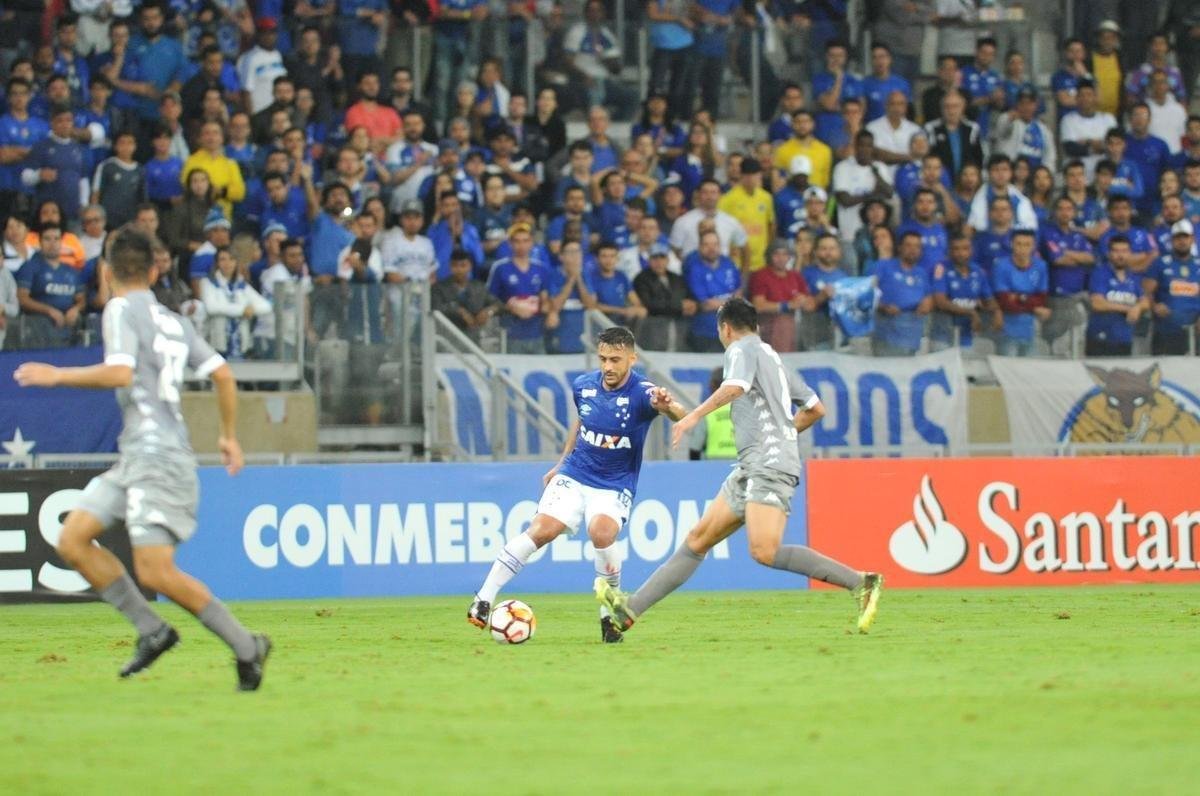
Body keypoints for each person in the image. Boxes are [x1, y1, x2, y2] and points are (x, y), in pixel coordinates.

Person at [12, 226, 270, 689]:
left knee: (156, 571)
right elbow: (224, 374)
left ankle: (247, 645)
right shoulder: (177, 321)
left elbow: (119, 372)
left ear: (106, 272)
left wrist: (57, 375)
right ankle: (152, 629)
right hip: (137, 456)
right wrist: (229, 436)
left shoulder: (117, 309)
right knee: (72, 538)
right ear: (154, 270)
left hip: (159, 458)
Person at [596, 298, 883, 637]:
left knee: (764, 550)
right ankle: (628, 611)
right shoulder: (771, 356)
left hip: (768, 463)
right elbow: (815, 408)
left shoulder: (738, 350)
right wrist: (783, 434)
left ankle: (861, 582)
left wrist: (692, 416)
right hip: (753, 463)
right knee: (698, 539)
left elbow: (734, 388)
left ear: (725, 328)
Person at [469, 325, 687, 643]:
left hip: (614, 483)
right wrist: (561, 462)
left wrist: (668, 406)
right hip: (576, 472)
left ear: (631, 358)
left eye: (615, 359)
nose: (608, 367)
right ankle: (484, 599)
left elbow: (680, 414)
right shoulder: (583, 386)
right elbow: (583, 422)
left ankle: (608, 618)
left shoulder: (644, 393)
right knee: (541, 530)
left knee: (601, 533)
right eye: (603, 359)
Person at [1040, 196, 1097, 355]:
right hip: (1057, 297)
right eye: (1061, 208)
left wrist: (1068, 253)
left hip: (1079, 294)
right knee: (1056, 342)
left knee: (1077, 342)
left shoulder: (1078, 235)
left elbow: (1091, 258)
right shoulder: (1048, 233)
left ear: (1074, 212)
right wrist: (1079, 258)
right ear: (1055, 212)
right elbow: (1057, 259)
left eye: (1069, 209)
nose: (1065, 212)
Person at [931, 235, 1001, 351]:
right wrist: (970, 312)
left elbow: (988, 299)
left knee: (967, 366)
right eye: (956, 249)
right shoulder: (941, 268)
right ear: (949, 251)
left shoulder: (978, 271)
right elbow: (940, 302)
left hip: (967, 334)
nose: (961, 253)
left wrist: (997, 311)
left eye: (965, 248)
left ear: (971, 250)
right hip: (943, 334)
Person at [1143, 220, 1200, 355]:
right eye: (1178, 237)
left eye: (1185, 237)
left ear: (1192, 239)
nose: (1182, 241)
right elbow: (1145, 292)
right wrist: (1155, 306)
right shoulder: (1160, 263)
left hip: (1196, 330)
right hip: (1166, 330)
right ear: (1172, 240)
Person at [872, 231, 933, 356]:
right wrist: (882, 306)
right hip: (887, 335)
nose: (913, 250)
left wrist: (928, 302)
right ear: (899, 247)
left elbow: (928, 296)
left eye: (917, 246)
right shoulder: (883, 266)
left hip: (913, 337)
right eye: (908, 245)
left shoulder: (922, 273)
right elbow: (866, 293)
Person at [1086, 235, 1149, 356]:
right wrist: (1128, 308)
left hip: (1125, 338)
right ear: (1109, 253)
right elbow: (1097, 303)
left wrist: (1138, 307)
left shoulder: (1133, 277)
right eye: (1116, 251)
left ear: (1130, 253)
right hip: (1100, 338)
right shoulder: (1100, 273)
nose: (1120, 255)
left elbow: (1145, 302)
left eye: (1124, 251)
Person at [991, 229, 1050, 356]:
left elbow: (1041, 298)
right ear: (1012, 244)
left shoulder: (1041, 266)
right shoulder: (1001, 266)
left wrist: (1018, 297)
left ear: (1033, 246)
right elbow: (1004, 301)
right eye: (1019, 244)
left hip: (1031, 329)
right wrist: (1033, 306)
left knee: (1030, 370)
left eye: (1027, 244)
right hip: (1007, 328)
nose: (1023, 249)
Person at [749, 240, 812, 352]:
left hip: (793, 326)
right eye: (776, 254)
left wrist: (802, 300)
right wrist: (787, 305)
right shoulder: (761, 275)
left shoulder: (795, 276)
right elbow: (758, 305)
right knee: (782, 323)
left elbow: (808, 302)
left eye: (785, 254)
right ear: (769, 256)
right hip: (768, 325)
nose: (781, 258)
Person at [685, 229, 741, 352]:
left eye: (715, 244)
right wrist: (732, 302)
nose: (711, 248)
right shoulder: (694, 268)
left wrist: (722, 302)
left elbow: (739, 293)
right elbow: (706, 304)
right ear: (699, 247)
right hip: (705, 332)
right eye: (706, 244)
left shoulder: (728, 263)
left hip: (731, 332)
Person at [432, 248, 500, 344]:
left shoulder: (479, 287)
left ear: (470, 266)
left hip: (473, 341)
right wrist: (458, 311)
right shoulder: (439, 288)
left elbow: (498, 304)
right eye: (455, 265)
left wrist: (489, 311)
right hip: (446, 342)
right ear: (450, 266)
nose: (459, 270)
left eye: (463, 265)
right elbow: (435, 308)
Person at [717, 159, 774, 273]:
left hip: (760, 262)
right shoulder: (728, 199)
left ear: (760, 175)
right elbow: (720, 226)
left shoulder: (766, 198)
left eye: (755, 175)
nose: (751, 179)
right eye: (747, 175)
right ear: (741, 176)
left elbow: (770, 224)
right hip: (737, 261)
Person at [633, 243, 693, 350]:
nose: (659, 262)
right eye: (655, 258)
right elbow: (650, 304)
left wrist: (693, 305)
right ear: (649, 260)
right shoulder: (641, 279)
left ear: (667, 260)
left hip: (677, 326)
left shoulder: (676, 278)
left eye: (662, 257)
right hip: (653, 328)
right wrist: (679, 306)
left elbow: (687, 298)